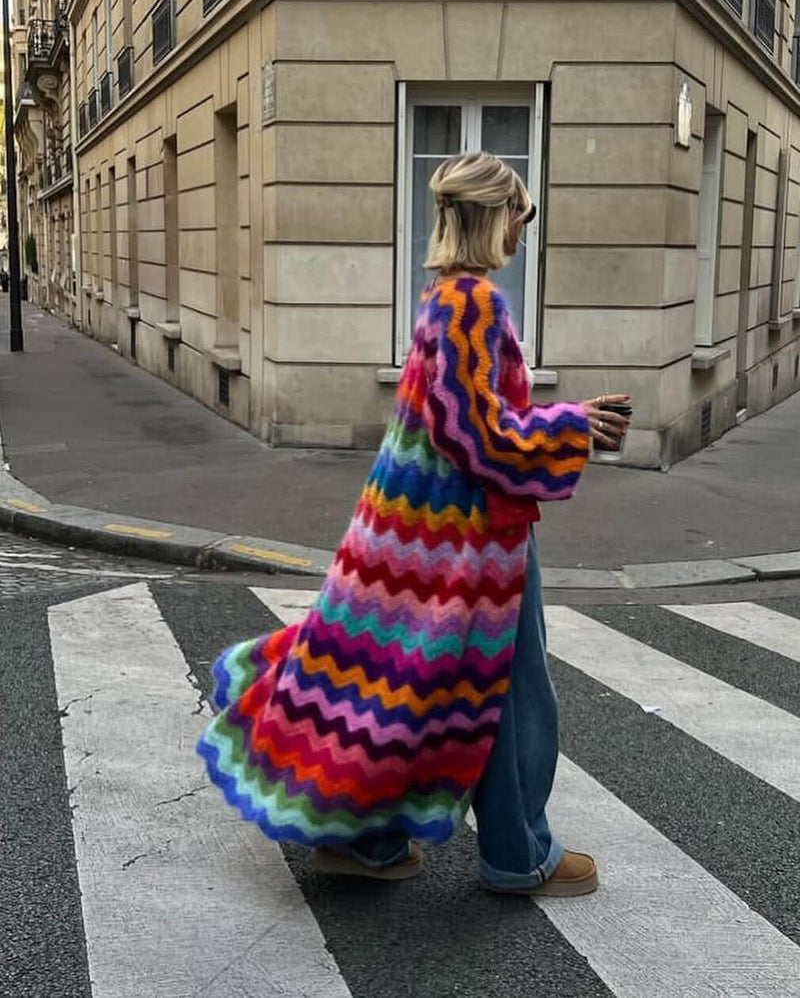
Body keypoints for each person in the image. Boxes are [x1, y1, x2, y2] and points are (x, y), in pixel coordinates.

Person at [197, 152, 629, 895]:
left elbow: (453, 422)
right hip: (466, 540)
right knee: (511, 692)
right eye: (520, 219)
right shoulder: (475, 303)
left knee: (406, 684)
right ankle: (519, 855)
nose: (522, 236)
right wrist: (573, 426)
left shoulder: (441, 299)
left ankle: (370, 842)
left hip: (410, 535)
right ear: (495, 217)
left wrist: (561, 421)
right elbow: (478, 434)